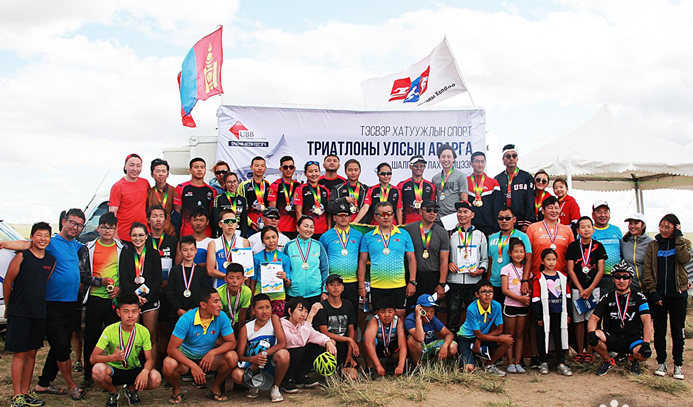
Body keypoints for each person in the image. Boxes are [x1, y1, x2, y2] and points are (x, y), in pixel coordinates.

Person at [0, 209, 87, 399]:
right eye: (72, 223)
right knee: (60, 347)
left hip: (69, 303)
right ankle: (70, 386)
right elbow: (27, 244)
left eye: (80, 225)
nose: (75, 227)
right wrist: (4, 243)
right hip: (51, 303)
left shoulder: (75, 246)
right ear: (64, 222)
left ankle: (42, 384)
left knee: (57, 345)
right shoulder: (51, 242)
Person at [3, 222, 56, 407]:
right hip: (20, 312)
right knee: (20, 353)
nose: (43, 239)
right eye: (39, 235)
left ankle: (26, 393)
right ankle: (17, 395)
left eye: (46, 236)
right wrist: (9, 307)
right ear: (32, 237)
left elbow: (42, 283)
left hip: (38, 312)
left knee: (32, 352)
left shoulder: (51, 260)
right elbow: (8, 282)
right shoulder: (22, 256)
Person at [163, 286, 239, 403]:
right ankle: (176, 389)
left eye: (219, 301)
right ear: (203, 305)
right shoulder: (186, 319)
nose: (220, 305)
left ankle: (215, 387)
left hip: (208, 359)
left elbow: (231, 342)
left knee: (232, 357)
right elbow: (171, 349)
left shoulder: (222, 316)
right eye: (215, 301)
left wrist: (212, 353)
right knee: (168, 364)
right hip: (186, 360)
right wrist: (193, 366)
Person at [90, 293, 162, 407]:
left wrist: (145, 371)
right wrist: (112, 357)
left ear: (139, 312)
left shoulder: (143, 331)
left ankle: (131, 390)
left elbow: (150, 359)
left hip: (133, 369)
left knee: (155, 378)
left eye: (134, 311)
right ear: (118, 313)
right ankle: (113, 392)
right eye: (126, 311)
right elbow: (93, 358)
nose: (130, 315)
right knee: (97, 370)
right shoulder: (109, 330)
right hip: (113, 370)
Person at [642, 214, 691, 380]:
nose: (663, 230)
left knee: (677, 331)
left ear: (676, 227)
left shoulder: (684, 243)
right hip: (659, 295)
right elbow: (647, 269)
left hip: (678, 294)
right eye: (661, 226)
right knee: (660, 330)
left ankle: (678, 365)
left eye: (668, 227)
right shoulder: (654, 245)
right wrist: (652, 291)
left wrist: (678, 238)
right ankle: (661, 363)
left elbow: (684, 259)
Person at [588, 261, 653, 376]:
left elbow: (647, 321)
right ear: (613, 279)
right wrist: (591, 333)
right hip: (613, 336)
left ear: (630, 280)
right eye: (618, 277)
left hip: (632, 338)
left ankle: (633, 359)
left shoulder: (639, 298)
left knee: (644, 354)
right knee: (594, 337)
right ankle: (608, 361)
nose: (621, 281)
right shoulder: (607, 297)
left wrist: (646, 343)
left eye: (625, 277)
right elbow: (593, 318)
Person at [81, 212, 123, 386]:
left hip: (114, 300)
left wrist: (120, 289)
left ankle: (113, 373)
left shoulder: (122, 248)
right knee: (91, 337)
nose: (107, 231)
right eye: (104, 227)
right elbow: (82, 275)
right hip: (95, 297)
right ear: (98, 228)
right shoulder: (88, 248)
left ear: (115, 229)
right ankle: (88, 374)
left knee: (115, 338)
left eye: (110, 228)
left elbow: (126, 273)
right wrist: (100, 282)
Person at [358, 201, 417, 319]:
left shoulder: (404, 234)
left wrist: (412, 281)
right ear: (375, 217)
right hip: (377, 285)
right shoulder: (368, 236)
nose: (386, 217)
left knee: (400, 315)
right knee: (378, 317)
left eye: (389, 213)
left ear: (393, 215)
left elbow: (412, 260)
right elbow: (362, 262)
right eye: (382, 214)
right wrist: (361, 286)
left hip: (398, 285)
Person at [230, 294, 290, 402]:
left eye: (267, 307)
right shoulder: (246, 328)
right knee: (236, 374)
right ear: (253, 310)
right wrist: (253, 360)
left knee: (284, 354)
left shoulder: (274, 320)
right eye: (260, 308)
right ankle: (253, 385)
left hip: (270, 362)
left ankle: (275, 387)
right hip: (254, 366)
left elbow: (282, 344)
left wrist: (263, 354)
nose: (264, 311)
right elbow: (240, 356)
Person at [120, 223, 162, 365]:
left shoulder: (154, 254)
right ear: (130, 237)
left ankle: (151, 368)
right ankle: (131, 367)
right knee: (132, 335)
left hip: (150, 300)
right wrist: (135, 297)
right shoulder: (125, 254)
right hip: (132, 301)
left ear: (146, 236)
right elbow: (124, 279)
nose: (137, 238)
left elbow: (158, 279)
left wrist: (146, 298)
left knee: (150, 336)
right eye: (134, 235)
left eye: (140, 235)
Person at [566, 216, 607, 362]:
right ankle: (580, 351)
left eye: (589, 226)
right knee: (578, 321)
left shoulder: (598, 246)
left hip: (593, 289)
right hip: (577, 289)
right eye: (582, 227)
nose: (586, 230)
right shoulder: (573, 247)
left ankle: (589, 351)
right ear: (577, 230)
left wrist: (590, 289)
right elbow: (570, 270)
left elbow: (600, 270)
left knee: (591, 320)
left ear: (593, 229)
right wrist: (581, 289)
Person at [446, 201, 488, 335]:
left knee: (474, 317)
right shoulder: (450, 234)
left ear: (472, 215)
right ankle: (451, 344)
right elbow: (444, 256)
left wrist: (481, 270)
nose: (462, 215)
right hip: (454, 282)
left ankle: (472, 344)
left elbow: (485, 259)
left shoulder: (480, 235)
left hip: (473, 282)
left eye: (465, 212)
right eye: (459, 212)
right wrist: (449, 264)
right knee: (452, 315)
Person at [455, 279, 512, 376]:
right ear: (477, 294)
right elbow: (478, 335)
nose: (487, 295)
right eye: (484, 292)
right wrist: (497, 338)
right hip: (466, 338)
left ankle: (488, 365)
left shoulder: (496, 306)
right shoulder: (472, 308)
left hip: (483, 336)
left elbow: (499, 329)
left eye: (490, 291)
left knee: (507, 340)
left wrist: (480, 340)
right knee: (469, 369)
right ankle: (462, 358)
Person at [280, 298, 337, 392]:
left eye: (306, 311)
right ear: (290, 311)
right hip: (284, 359)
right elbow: (298, 342)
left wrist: (328, 342)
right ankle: (287, 380)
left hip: (297, 356)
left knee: (317, 345)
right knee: (298, 350)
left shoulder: (302, 324)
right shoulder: (282, 325)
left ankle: (301, 376)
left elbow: (316, 335)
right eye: (300, 310)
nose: (304, 314)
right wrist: (310, 316)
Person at [531, 249, 573, 376]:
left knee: (559, 337)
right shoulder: (538, 278)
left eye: (553, 259)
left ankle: (561, 362)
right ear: (542, 261)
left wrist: (569, 314)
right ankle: (543, 361)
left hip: (559, 312)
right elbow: (536, 298)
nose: (551, 262)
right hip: (545, 314)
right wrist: (539, 317)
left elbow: (568, 296)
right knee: (542, 337)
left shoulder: (562, 277)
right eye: (548, 259)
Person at [319, 207, 364, 314]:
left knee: (352, 314)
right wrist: (324, 288)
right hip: (333, 282)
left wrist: (361, 285)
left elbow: (362, 259)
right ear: (334, 218)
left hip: (352, 282)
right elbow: (322, 262)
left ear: (350, 217)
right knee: (333, 314)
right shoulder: (325, 236)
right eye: (340, 215)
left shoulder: (358, 235)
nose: (343, 218)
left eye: (346, 215)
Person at [314, 274, 359, 380]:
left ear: (342, 288)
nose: (335, 287)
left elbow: (351, 330)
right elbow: (324, 332)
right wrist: (349, 339)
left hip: (344, 348)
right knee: (332, 342)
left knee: (352, 377)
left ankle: (341, 369)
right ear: (326, 288)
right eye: (332, 284)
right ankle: (329, 375)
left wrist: (349, 355)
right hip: (328, 347)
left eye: (338, 284)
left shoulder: (348, 305)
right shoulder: (322, 307)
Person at [403, 200, 450, 299]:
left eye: (435, 211)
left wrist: (441, 283)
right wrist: (411, 281)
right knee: (413, 307)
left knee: (431, 307)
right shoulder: (409, 229)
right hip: (414, 275)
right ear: (420, 211)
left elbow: (444, 259)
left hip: (433, 276)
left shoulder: (443, 232)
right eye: (428, 210)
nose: (432, 213)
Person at [488, 207, 532, 305]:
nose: (504, 221)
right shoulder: (492, 238)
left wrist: (525, 280)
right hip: (495, 284)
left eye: (507, 218)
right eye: (501, 218)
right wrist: (488, 282)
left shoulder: (523, 237)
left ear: (514, 219)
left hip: (514, 284)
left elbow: (528, 260)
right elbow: (491, 262)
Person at [500, 238, 531, 374]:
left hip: (523, 307)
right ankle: (510, 362)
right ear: (510, 253)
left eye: (521, 252)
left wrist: (527, 296)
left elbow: (529, 286)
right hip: (510, 305)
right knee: (510, 335)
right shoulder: (506, 269)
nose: (519, 254)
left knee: (520, 334)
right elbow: (504, 290)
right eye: (516, 251)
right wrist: (520, 299)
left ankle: (518, 362)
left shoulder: (526, 270)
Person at [284, 216, 329, 305]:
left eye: (311, 227)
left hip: (315, 293)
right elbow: (285, 269)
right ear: (297, 228)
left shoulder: (318, 245)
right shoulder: (289, 246)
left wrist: (325, 291)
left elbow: (325, 269)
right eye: (306, 226)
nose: (309, 229)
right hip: (294, 293)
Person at [526, 196, 574, 275]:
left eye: (556, 208)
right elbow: (528, 255)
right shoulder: (532, 228)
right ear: (543, 211)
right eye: (550, 208)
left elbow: (571, 256)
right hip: (537, 274)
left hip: (561, 275)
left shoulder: (567, 230)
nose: (554, 211)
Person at [109, 153, 151, 245]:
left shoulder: (145, 183)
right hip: (124, 236)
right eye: (131, 165)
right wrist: (115, 235)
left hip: (142, 235)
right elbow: (112, 212)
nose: (135, 169)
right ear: (125, 167)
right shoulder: (117, 186)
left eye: (138, 166)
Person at [166, 235, 208, 325]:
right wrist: (178, 309)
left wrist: (192, 309)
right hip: (176, 313)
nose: (189, 253)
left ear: (196, 250)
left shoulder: (201, 271)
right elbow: (170, 292)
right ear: (180, 251)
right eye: (185, 250)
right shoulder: (175, 270)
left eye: (191, 249)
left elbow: (203, 292)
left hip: (195, 312)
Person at [405, 294, 457, 365]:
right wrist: (418, 318)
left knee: (452, 347)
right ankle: (418, 366)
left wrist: (444, 346)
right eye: (426, 311)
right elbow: (420, 338)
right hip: (419, 348)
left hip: (430, 346)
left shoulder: (433, 319)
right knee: (411, 340)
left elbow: (449, 334)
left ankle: (434, 363)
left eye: (432, 311)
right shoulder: (410, 320)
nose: (429, 314)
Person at [252, 226, 293, 316]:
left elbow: (288, 284)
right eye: (267, 238)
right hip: (261, 296)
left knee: (276, 321)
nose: (271, 241)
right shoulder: (257, 257)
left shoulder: (285, 258)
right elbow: (253, 280)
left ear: (278, 238)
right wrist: (252, 299)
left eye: (274, 237)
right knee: (261, 321)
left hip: (278, 296)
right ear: (262, 241)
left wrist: (285, 278)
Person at [363, 296, 408, 378]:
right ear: (377, 312)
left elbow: (403, 346)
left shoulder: (398, 321)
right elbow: (368, 343)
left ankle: (390, 363)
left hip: (391, 346)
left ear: (395, 312)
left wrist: (401, 366)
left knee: (403, 344)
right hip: (379, 346)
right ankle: (370, 368)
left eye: (390, 312)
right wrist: (378, 366)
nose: (387, 315)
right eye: (383, 312)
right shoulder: (375, 320)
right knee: (367, 341)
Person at [494, 144, 534, 232]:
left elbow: (530, 201)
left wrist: (527, 222)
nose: (511, 158)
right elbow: (495, 204)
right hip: (504, 222)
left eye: (514, 156)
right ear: (503, 159)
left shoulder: (527, 177)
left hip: (521, 222)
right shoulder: (497, 179)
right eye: (508, 156)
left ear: (517, 158)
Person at [207, 209, 250, 288]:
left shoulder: (244, 242)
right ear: (220, 224)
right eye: (227, 221)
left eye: (233, 221)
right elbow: (210, 270)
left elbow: (248, 269)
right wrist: (228, 277)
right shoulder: (213, 243)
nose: (230, 224)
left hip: (240, 286)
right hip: (220, 285)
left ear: (237, 223)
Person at [174, 157, 217, 237]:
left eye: (202, 167)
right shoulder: (181, 188)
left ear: (205, 170)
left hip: (206, 234)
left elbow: (211, 213)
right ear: (190, 170)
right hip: (187, 233)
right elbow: (177, 212)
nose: (199, 170)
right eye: (196, 167)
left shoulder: (212, 191)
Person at [466, 151, 502, 236]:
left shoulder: (493, 183)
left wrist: (495, 228)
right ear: (471, 163)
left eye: (482, 162)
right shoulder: (465, 181)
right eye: (477, 161)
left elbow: (497, 208)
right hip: (470, 226)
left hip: (488, 227)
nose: (480, 164)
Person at [592, 200, 623, 293]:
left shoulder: (616, 230)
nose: (603, 215)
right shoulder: (589, 230)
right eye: (599, 212)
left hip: (616, 277)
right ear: (593, 215)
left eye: (606, 212)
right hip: (596, 278)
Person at [238, 156, 276, 233]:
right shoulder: (243, 185)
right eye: (257, 166)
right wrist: (249, 222)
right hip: (249, 224)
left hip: (266, 225)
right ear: (251, 167)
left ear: (265, 168)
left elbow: (272, 208)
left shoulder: (270, 186)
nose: (259, 168)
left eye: (262, 166)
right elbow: (240, 207)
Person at [432, 144, 468, 221]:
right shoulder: (435, 179)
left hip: (454, 217)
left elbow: (464, 200)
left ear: (453, 158)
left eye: (449, 157)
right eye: (443, 156)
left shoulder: (460, 176)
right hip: (439, 218)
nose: (446, 159)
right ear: (439, 159)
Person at [294, 161, 331, 238]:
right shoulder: (300, 189)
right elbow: (298, 212)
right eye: (310, 171)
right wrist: (301, 229)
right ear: (305, 173)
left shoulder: (325, 190)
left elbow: (328, 212)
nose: (314, 174)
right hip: (307, 231)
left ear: (320, 172)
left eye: (316, 171)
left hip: (323, 231)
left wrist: (329, 228)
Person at [397, 155, 436, 224]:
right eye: (416, 166)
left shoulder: (431, 186)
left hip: (425, 223)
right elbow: (398, 208)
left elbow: (432, 208)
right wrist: (400, 225)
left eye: (421, 166)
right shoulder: (402, 185)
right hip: (407, 224)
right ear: (410, 166)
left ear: (425, 167)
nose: (419, 168)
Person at [620, 212, 654, 292]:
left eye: (636, 223)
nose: (632, 226)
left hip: (650, 288)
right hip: (631, 289)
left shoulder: (651, 243)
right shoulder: (624, 242)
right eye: (630, 223)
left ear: (643, 225)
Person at [269, 156, 298, 239]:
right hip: (280, 230)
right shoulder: (275, 185)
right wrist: (276, 230)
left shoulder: (299, 186)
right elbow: (272, 210)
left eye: (291, 167)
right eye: (285, 167)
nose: (288, 170)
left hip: (296, 230)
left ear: (294, 169)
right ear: (280, 169)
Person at [212, 171, 249, 238]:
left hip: (238, 232)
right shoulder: (219, 198)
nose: (232, 184)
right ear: (224, 183)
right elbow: (216, 218)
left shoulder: (243, 199)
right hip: (224, 232)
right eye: (229, 182)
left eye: (234, 181)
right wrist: (221, 234)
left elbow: (244, 220)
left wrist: (243, 235)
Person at [217, 262, 252, 331]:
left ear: (243, 279)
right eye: (231, 278)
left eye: (238, 278)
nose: (235, 281)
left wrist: (240, 333)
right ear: (225, 279)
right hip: (222, 322)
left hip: (238, 320)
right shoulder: (218, 292)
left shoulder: (247, 292)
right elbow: (220, 315)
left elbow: (242, 314)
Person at [147, 158, 176, 236]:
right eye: (158, 171)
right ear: (152, 174)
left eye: (163, 171)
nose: (161, 174)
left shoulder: (174, 191)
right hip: (153, 232)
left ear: (167, 174)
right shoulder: (149, 193)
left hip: (170, 232)